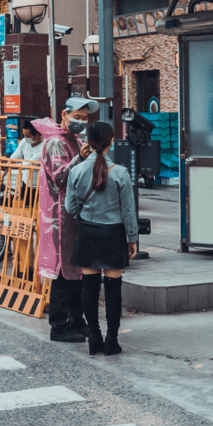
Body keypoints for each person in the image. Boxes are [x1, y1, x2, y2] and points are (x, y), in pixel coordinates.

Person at [65, 121, 138, 356]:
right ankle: (112, 340)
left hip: (87, 232)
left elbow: (70, 207)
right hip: (114, 233)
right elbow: (128, 210)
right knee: (113, 288)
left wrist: (84, 215)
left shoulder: (76, 171)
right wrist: (132, 238)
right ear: (111, 142)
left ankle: (93, 336)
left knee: (90, 286)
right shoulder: (120, 172)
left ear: (88, 142)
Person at [34, 97, 99, 343]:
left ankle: (76, 321)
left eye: (85, 119)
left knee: (76, 271)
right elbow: (60, 177)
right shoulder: (55, 143)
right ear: (65, 114)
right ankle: (58, 326)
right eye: (78, 117)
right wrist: (79, 159)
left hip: (74, 216)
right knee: (63, 272)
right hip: (59, 216)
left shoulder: (75, 141)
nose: (81, 122)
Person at [10, 120, 44, 191]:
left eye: (27, 136)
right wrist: (9, 163)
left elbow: (28, 164)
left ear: (36, 135)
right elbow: (17, 155)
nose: (25, 138)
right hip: (26, 182)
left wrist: (14, 165)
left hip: (40, 185)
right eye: (24, 135)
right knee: (25, 201)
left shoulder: (44, 147)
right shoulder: (24, 142)